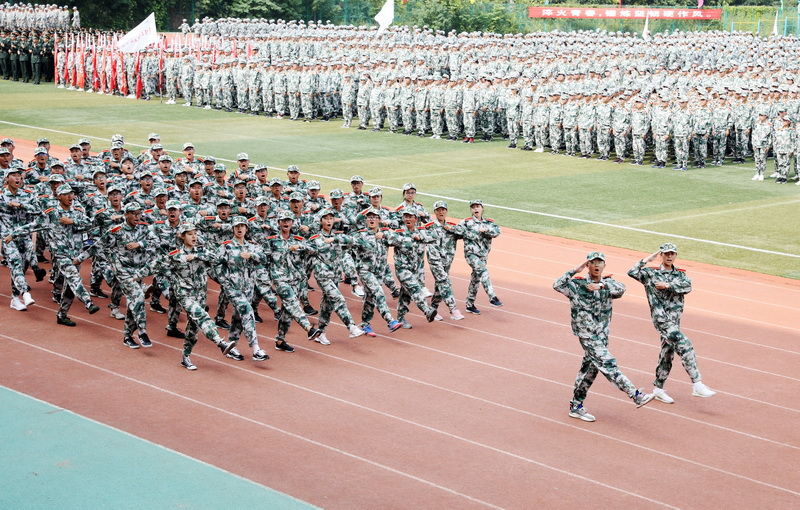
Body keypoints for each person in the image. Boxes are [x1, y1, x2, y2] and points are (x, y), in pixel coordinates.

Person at [553, 252, 654, 422]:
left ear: (604, 266)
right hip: (587, 335)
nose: (597, 265)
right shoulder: (576, 285)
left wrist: (601, 286)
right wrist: (573, 271)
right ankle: (635, 394)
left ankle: (576, 405)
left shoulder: (609, 283)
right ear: (588, 265)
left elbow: (621, 289)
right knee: (608, 364)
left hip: (602, 335)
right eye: (593, 262)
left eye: (600, 262)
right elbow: (557, 285)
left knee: (589, 371)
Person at [627, 244, 716, 403]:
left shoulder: (681, 275)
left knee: (667, 354)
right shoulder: (650, 273)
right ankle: (697, 384)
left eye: (672, 254)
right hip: (661, 320)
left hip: (675, 321)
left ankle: (658, 389)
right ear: (661, 255)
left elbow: (688, 286)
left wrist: (668, 285)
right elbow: (632, 272)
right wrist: (647, 259)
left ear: (676, 255)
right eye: (666, 253)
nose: (669, 256)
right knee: (685, 344)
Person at [453, 199, 502, 315]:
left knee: (476, 279)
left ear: (482, 208)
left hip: (483, 255)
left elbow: (497, 231)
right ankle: (492, 296)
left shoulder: (488, 223)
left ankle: (470, 304)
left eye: (478, 206)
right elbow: (456, 231)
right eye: (473, 207)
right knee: (483, 271)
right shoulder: (466, 222)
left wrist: (486, 230)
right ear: (471, 209)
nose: (475, 208)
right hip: (471, 254)